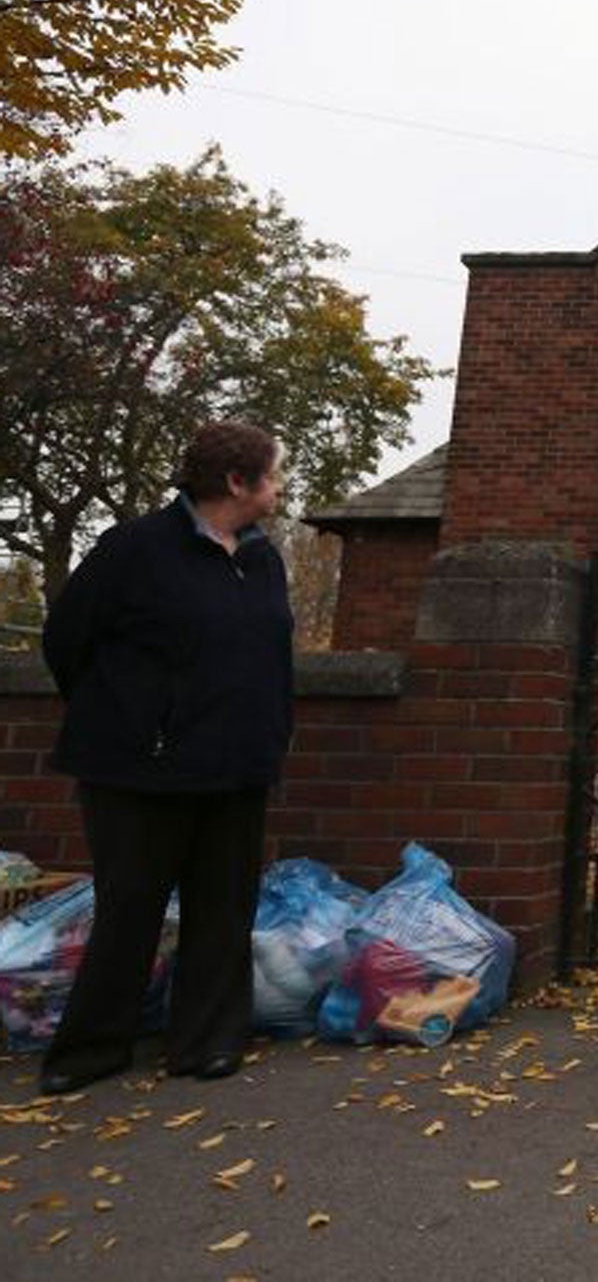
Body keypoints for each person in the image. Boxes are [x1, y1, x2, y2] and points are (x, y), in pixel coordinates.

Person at [37, 421, 293, 1095]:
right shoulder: (136, 549)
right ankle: (91, 1049)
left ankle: (207, 1042)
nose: (281, 485)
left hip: (235, 766)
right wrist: (129, 718)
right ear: (236, 482)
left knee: (223, 908)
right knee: (130, 910)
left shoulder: (262, 557)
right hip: (138, 771)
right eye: (274, 473)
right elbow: (67, 639)